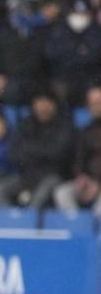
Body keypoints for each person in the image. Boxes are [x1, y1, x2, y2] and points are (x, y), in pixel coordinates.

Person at [0, 89, 75, 208]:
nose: (42, 107)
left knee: (43, 191)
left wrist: (30, 149)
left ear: (53, 104)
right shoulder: (25, 124)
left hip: (52, 176)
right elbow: (13, 153)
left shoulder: (65, 125)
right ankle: (11, 222)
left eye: (46, 102)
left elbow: (58, 154)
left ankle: (28, 221)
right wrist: (42, 150)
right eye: (38, 102)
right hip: (26, 175)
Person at [53, 84, 101, 213]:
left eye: (98, 102)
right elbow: (78, 159)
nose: (95, 107)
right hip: (88, 182)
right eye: (92, 103)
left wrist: (98, 184)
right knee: (62, 193)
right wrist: (81, 177)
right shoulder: (84, 132)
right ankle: (77, 228)